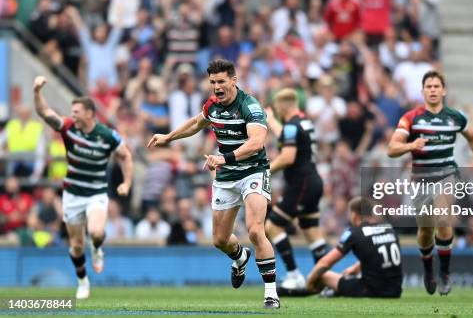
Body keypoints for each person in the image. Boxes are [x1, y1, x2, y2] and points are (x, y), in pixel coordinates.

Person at [147, 59, 280, 309]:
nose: (217, 87)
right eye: (212, 83)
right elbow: (197, 123)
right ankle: (240, 257)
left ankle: (271, 294)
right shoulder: (212, 105)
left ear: (233, 80)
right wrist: (169, 137)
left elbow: (257, 143)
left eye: (221, 81)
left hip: (253, 171)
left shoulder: (250, 106)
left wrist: (223, 158)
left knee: (254, 229)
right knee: (219, 239)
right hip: (226, 176)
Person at [387, 70, 473, 296]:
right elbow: (392, 148)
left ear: (443, 90)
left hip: (447, 175)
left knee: (444, 220)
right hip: (421, 179)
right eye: (429, 86)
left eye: (437, 86)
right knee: (425, 231)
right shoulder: (411, 118)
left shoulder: (455, 117)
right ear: (423, 91)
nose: (433, 90)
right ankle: (428, 269)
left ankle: (444, 273)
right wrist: (411, 146)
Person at [33, 76, 133, 299]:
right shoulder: (69, 128)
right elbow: (44, 113)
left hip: (97, 193)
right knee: (77, 246)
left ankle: (97, 249)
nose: (73, 115)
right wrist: (37, 92)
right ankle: (82, 281)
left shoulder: (107, 135)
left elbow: (126, 156)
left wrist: (126, 183)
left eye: (76, 111)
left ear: (89, 113)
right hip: (72, 195)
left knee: (96, 233)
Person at [265, 88, 329, 289]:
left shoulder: (292, 126)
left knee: (272, 227)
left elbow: (287, 157)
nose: (277, 112)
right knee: (311, 231)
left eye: (277, 109)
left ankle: (294, 275)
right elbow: (286, 133)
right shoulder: (304, 122)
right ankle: (326, 281)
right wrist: (269, 119)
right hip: (313, 182)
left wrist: (265, 171)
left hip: (301, 184)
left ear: (284, 105)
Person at [290, 197, 403, 298]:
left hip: (371, 291)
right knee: (353, 274)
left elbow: (325, 263)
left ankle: (327, 292)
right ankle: (333, 291)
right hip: (396, 291)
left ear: (354, 215)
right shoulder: (389, 229)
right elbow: (377, 257)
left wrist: (309, 282)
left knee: (324, 275)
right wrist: (353, 269)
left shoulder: (354, 232)